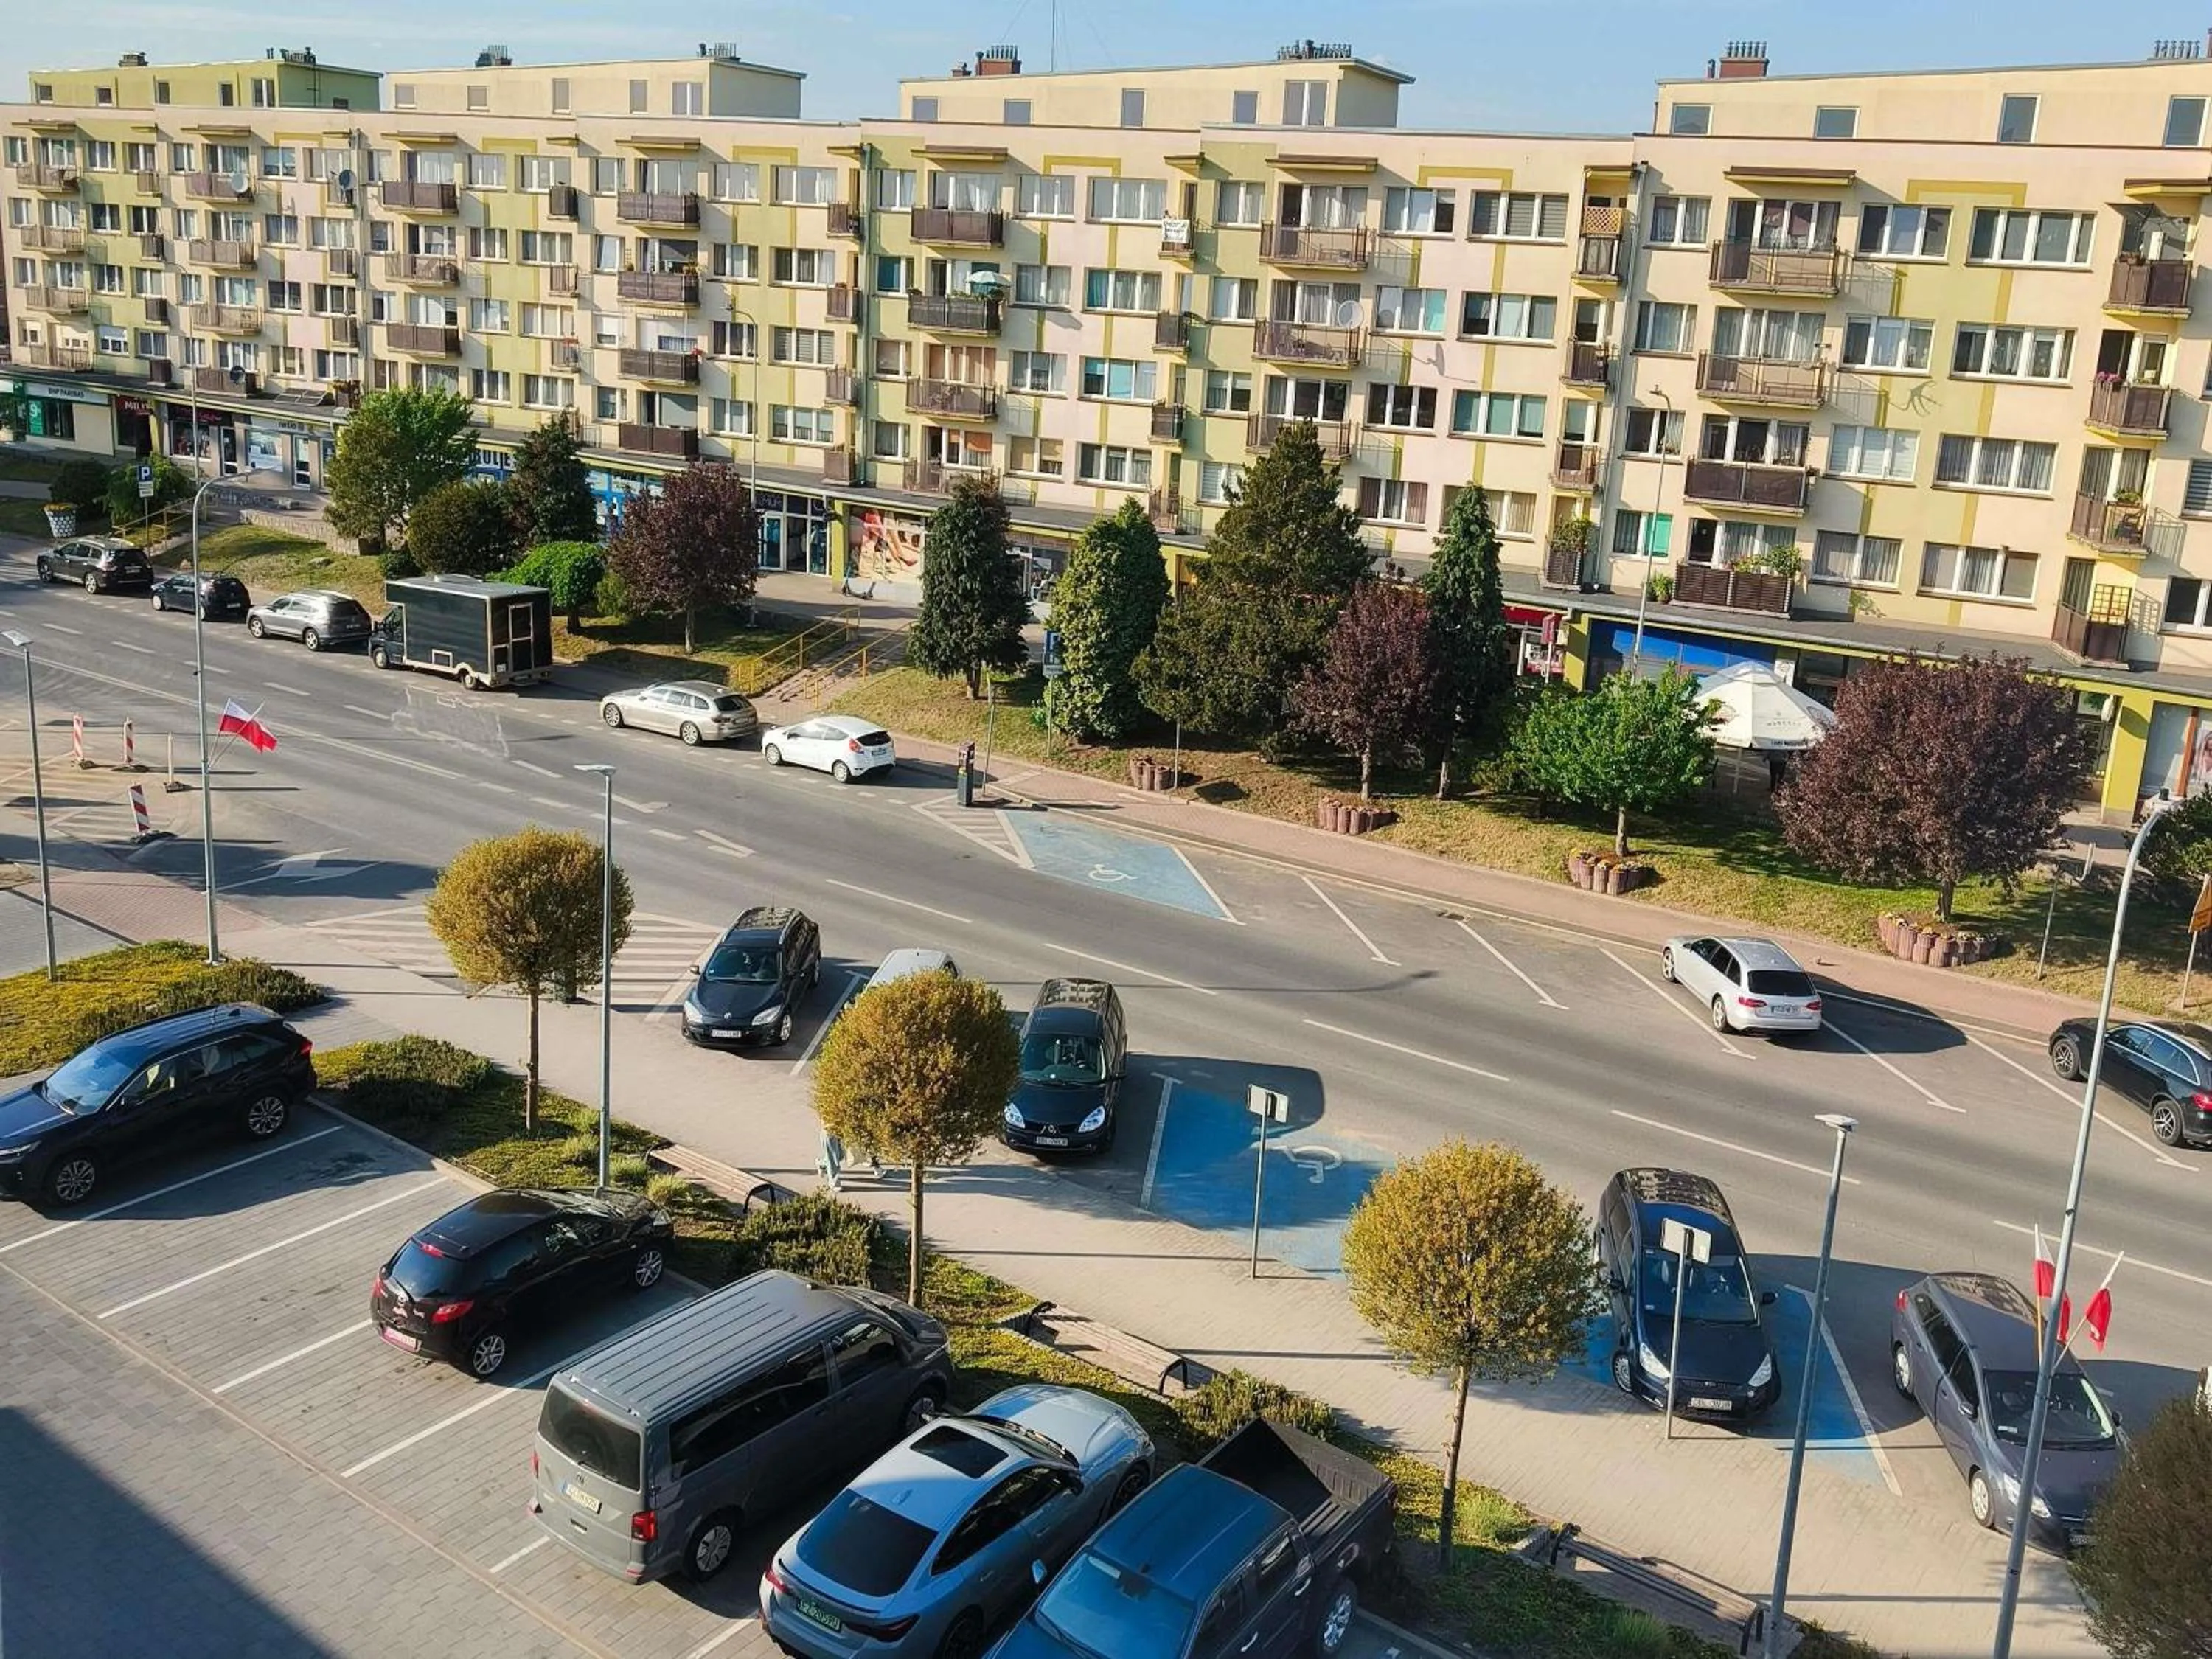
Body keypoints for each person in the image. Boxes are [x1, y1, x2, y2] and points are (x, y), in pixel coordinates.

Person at [818, 1125, 846, 1192]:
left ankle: (822, 1164)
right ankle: (834, 1180)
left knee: (841, 1155)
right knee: (833, 1154)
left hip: (841, 1123)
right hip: (829, 1125)